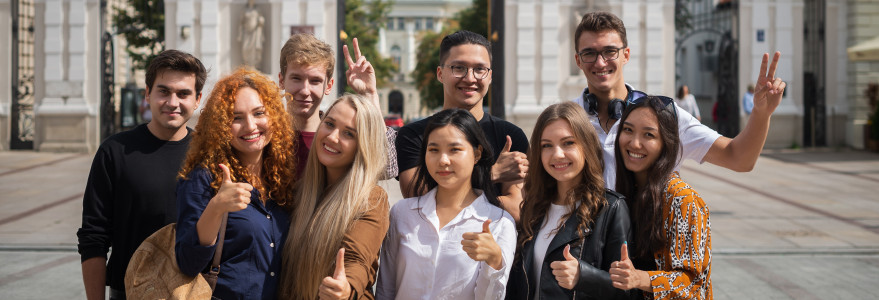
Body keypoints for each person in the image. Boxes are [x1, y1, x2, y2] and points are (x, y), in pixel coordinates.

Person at [570, 11, 786, 190]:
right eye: (589, 53)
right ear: (578, 60)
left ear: (626, 55)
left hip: (648, 241)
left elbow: (739, 158)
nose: (600, 62)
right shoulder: (566, 121)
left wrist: (761, 113)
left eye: (610, 51)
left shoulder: (662, 116)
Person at [77, 49, 207, 300]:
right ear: (147, 94)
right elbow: (93, 237)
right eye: (163, 91)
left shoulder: (210, 154)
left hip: (195, 293)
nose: (173, 102)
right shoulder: (115, 152)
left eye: (183, 94)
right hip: (129, 292)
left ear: (198, 99)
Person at [175, 68, 298, 299]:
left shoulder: (281, 177)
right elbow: (187, 263)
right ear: (221, 125)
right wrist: (216, 208)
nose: (251, 126)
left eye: (259, 113)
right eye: (236, 118)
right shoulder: (203, 178)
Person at [376, 109, 517, 299]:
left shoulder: (499, 223)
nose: (443, 160)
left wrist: (494, 261)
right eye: (433, 150)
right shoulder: (402, 213)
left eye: (454, 150)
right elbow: (386, 290)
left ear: (477, 154)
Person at [396, 30, 529, 221]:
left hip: (491, 245)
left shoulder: (510, 135)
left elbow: (517, 210)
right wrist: (492, 174)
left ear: (490, 76)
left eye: (480, 69)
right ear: (440, 74)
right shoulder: (413, 134)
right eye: (459, 68)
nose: (470, 78)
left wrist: (449, 192)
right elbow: (419, 198)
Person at [507, 102, 635, 299]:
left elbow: (628, 291)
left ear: (586, 145)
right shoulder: (534, 207)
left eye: (568, 143)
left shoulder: (611, 208)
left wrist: (584, 277)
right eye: (547, 145)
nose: (557, 154)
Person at [279, 94, 389, 300]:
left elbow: (357, 258)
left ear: (363, 145)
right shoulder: (300, 191)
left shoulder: (371, 199)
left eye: (349, 133)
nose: (332, 137)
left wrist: (346, 288)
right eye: (329, 124)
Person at [608, 96, 712, 299]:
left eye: (649, 135)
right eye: (628, 130)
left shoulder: (683, 200)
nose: (635, 143)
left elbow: (693, 284)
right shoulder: (627, 193)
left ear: (666, 143)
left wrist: (640, 278)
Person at [278, 33, 397, 180]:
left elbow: (387, 169)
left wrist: (369, 95)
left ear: (328, 86)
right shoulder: (266, 135)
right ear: (281, 81)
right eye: (296, 78)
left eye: (315, 81)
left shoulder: (339, 137)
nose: (305, 90)